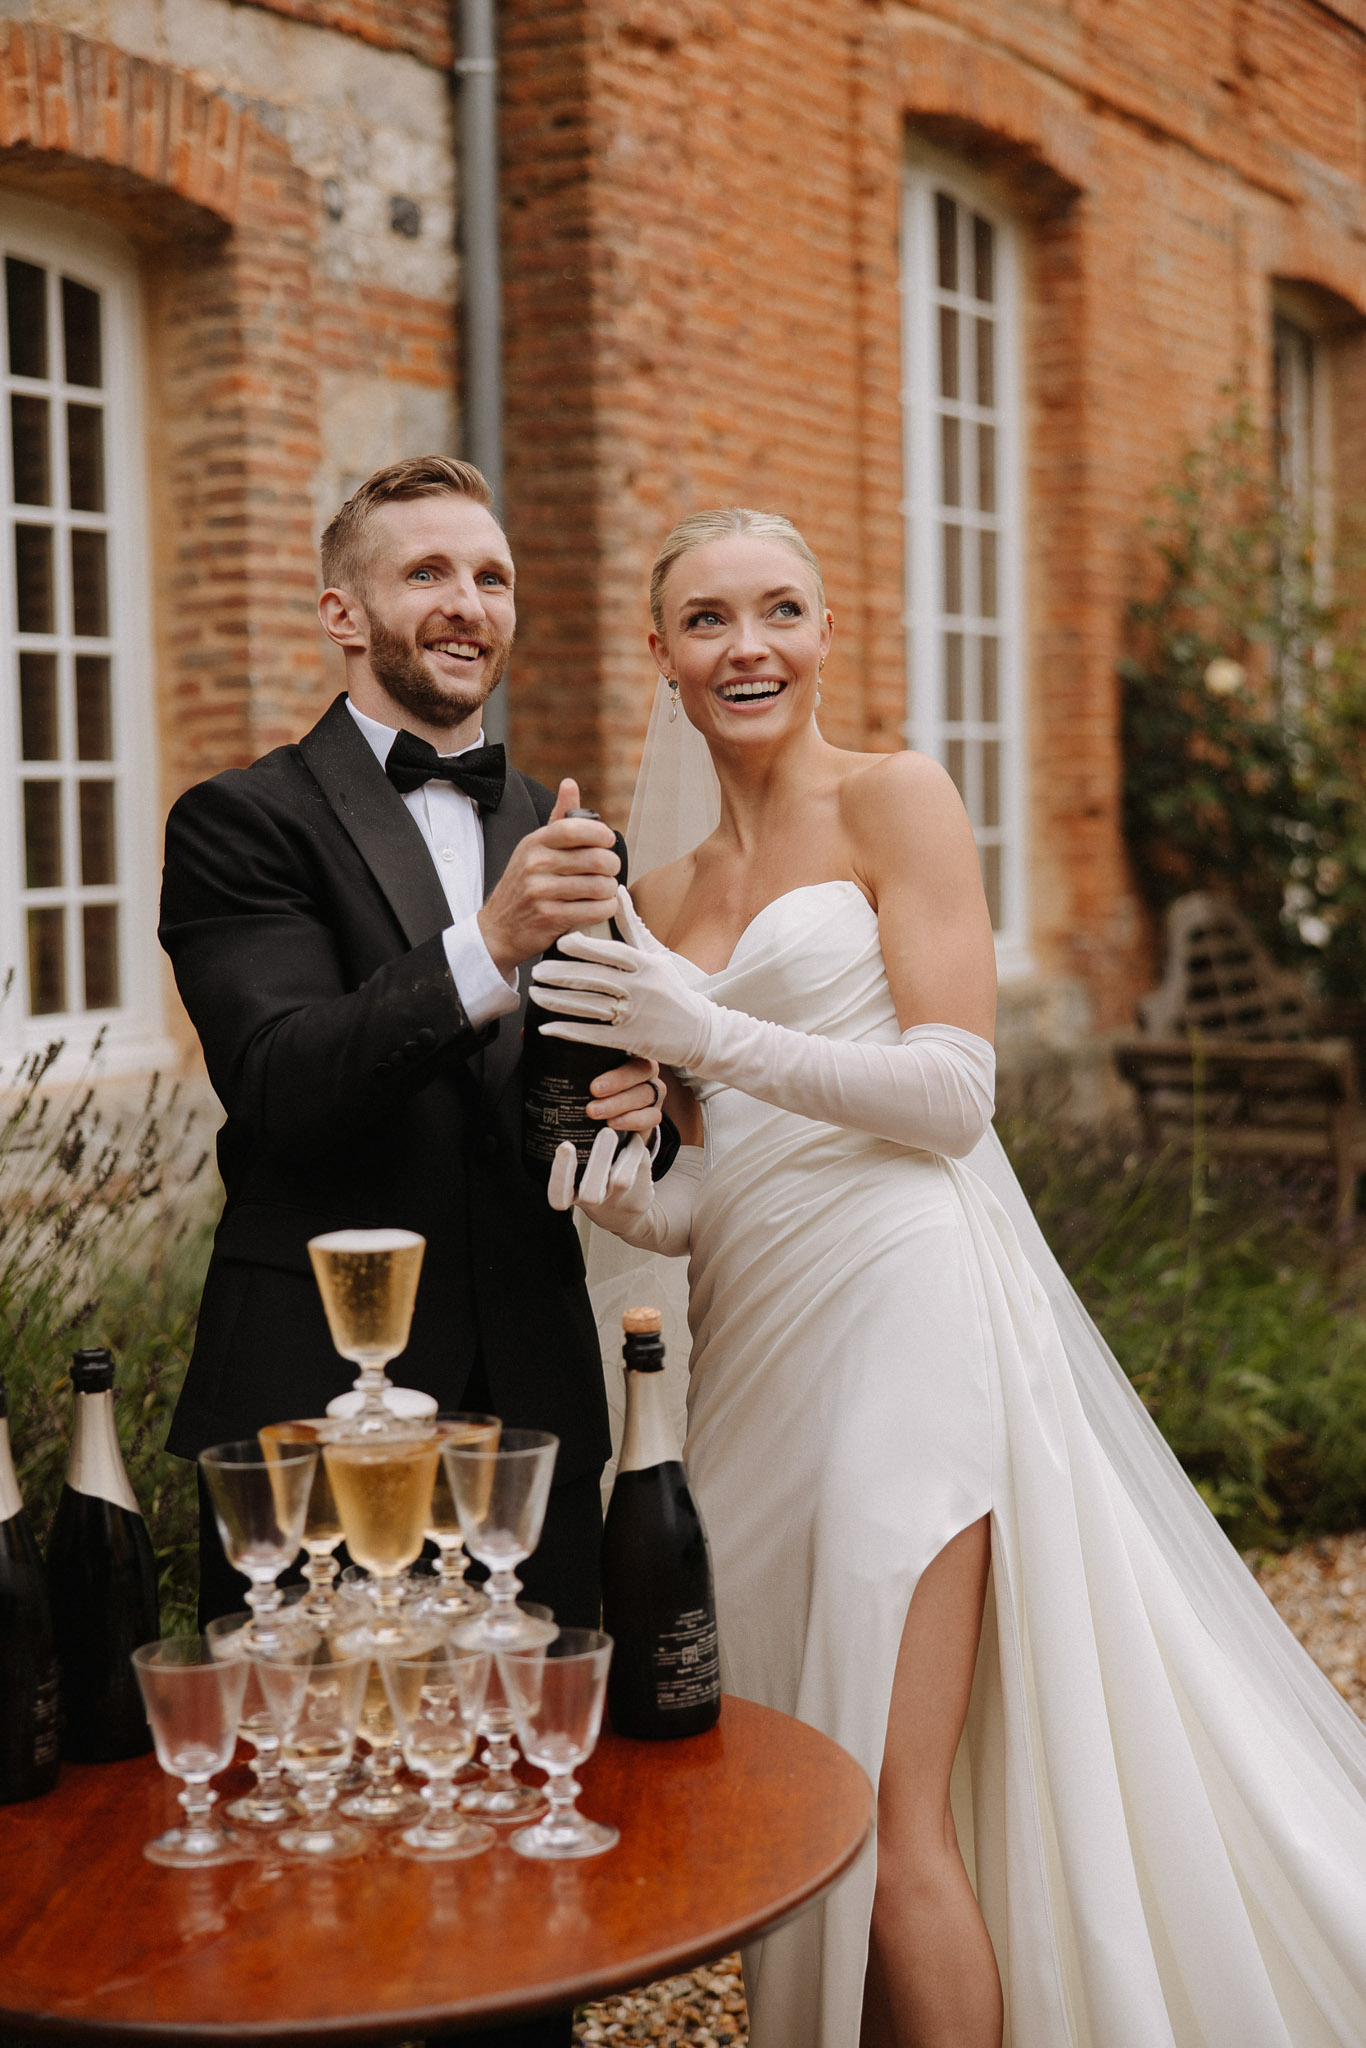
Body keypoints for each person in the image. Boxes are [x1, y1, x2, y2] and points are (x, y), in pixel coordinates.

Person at [530, 507, 1366, 2048]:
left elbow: (950, 1094)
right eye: (706, 620)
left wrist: (703, 1031)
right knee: (799, 1799)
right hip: (754, 1361)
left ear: (828, 632)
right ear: (657, 656)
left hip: (907, 1313)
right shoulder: (661, 882)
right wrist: (635, 1201)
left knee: (887, 1807)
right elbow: (731, 1169)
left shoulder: (893, 798)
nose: (747, 646)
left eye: (780, 609)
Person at [158, 455, 666, 1644]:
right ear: (342, 610)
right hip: (315, 1404)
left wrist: (636, 1110)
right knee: (312, 1782)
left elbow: (560, 1107)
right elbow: (283, 1081)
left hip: (534, 1405)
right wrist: (490, 941)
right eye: (427, 571)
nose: (468, 602)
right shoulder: (241, 819)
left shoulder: (562, 828)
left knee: (536, 1770)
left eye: (490, 576)